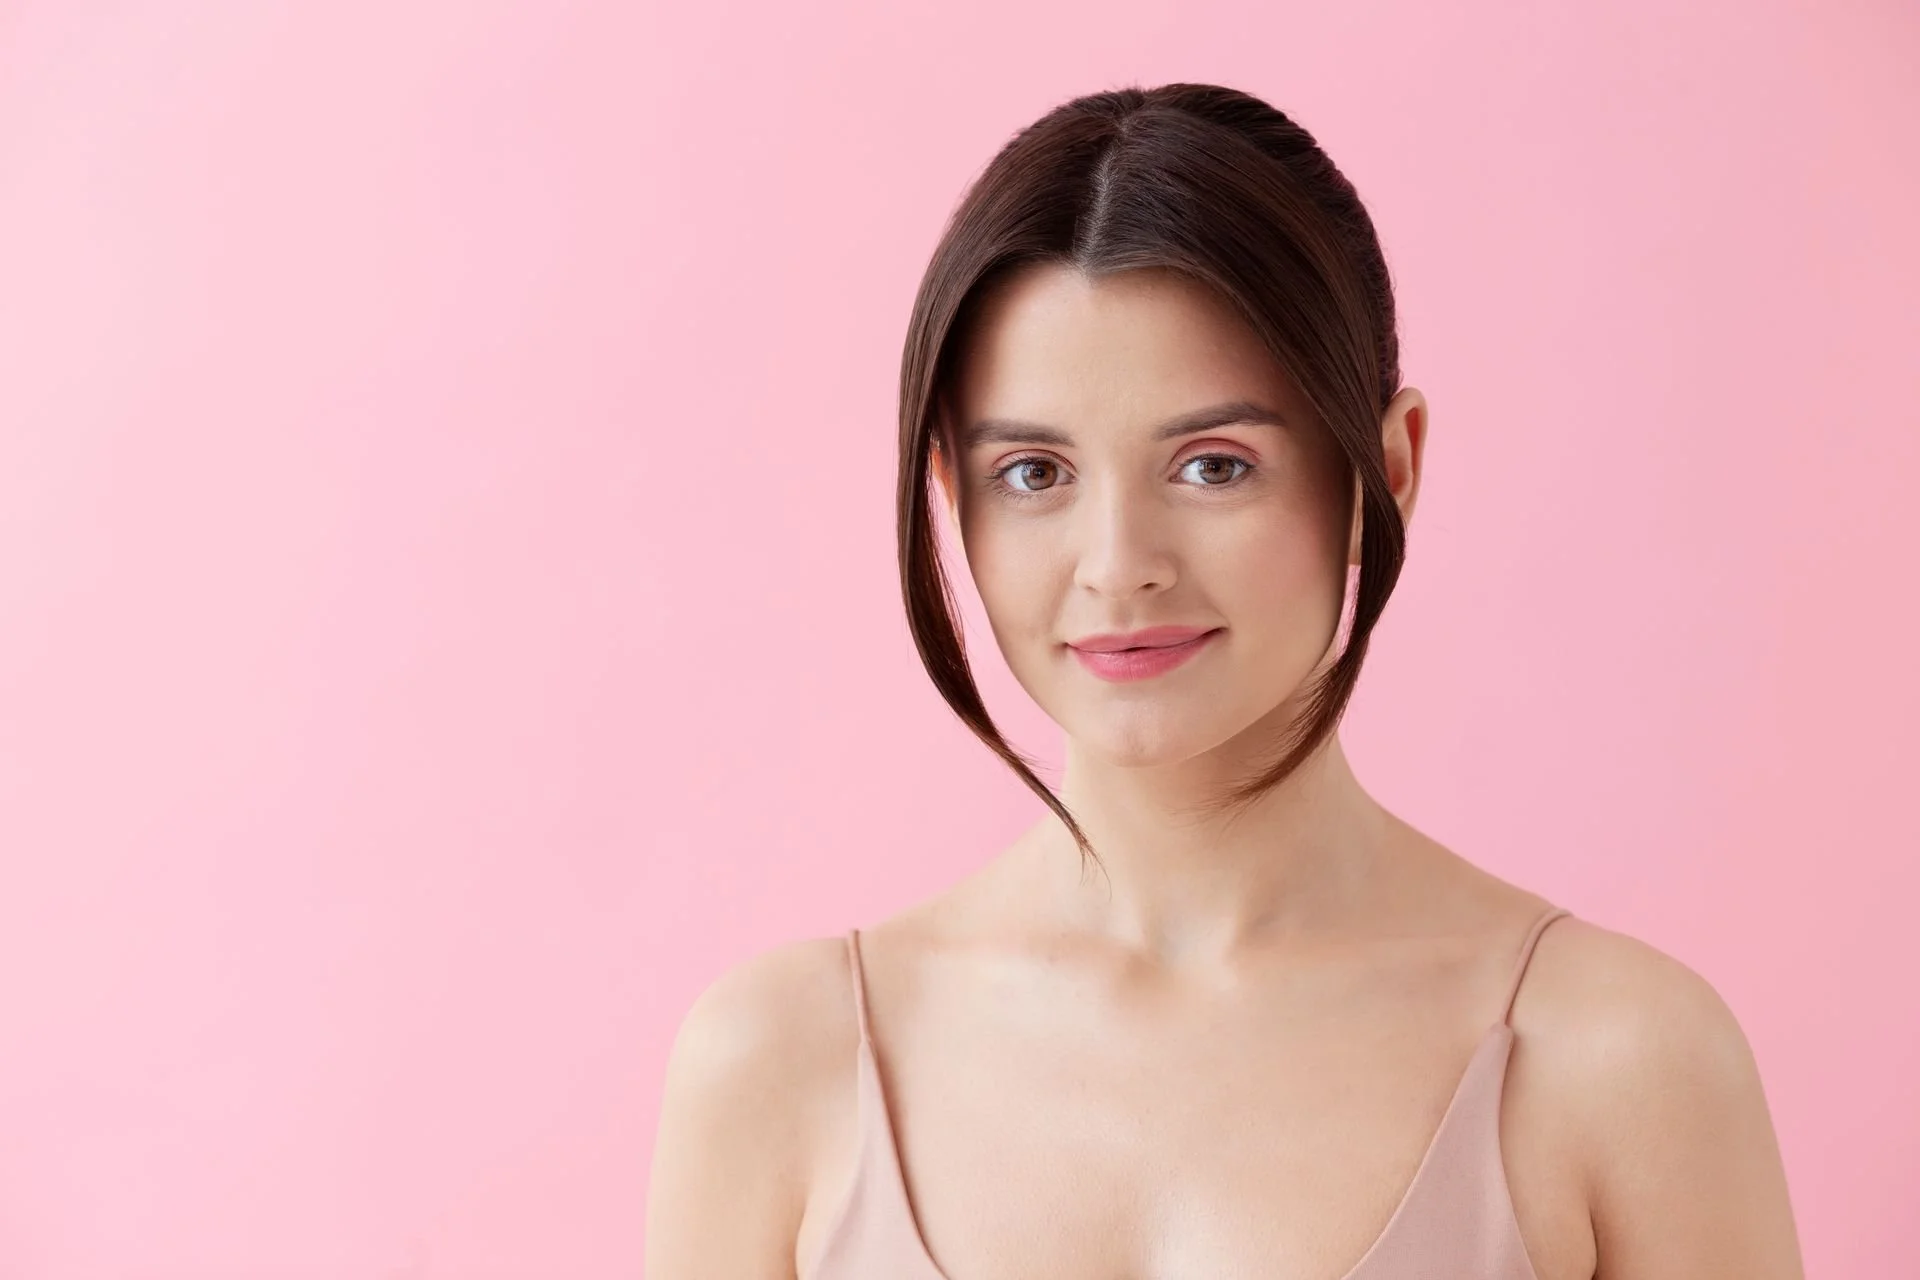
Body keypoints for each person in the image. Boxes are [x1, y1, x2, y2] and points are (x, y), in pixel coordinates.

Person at [643, 83, 1803, 1280]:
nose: (1119, 566)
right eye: (1035, 472)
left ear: (1386, 469)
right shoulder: (782, 1066)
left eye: (1213, 464)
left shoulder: (1619, 1060)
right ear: (955, 497)